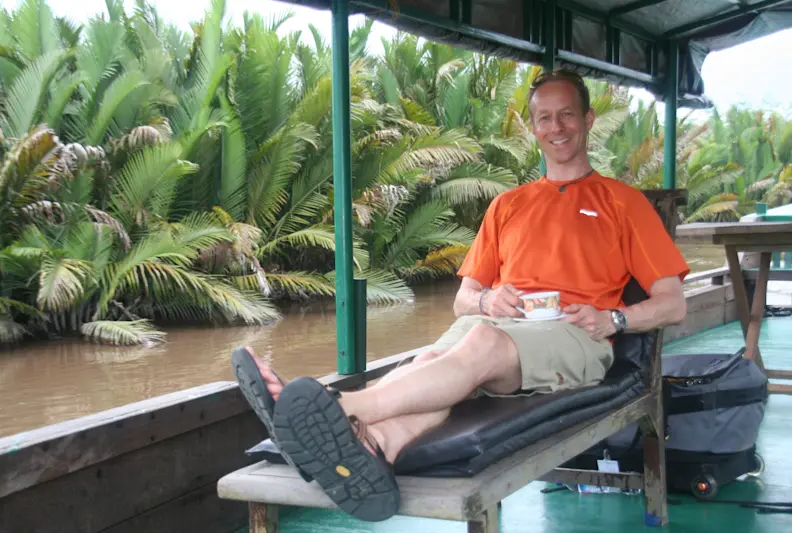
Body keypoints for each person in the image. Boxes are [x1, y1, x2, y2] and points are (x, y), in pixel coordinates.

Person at [230, 69, 690, 523]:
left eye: (566, 115)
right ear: (533, 128)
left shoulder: (623, 202)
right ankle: (375, 451)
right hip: (499, 326)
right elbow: (464, 299)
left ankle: (336, 406)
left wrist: (615, 320)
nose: (557, 128)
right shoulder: (507, 206)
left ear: (588, 119)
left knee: (480, 346)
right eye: (545, 118)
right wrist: (488, 301)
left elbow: (673, 302)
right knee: (429, 364)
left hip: (574, 335)